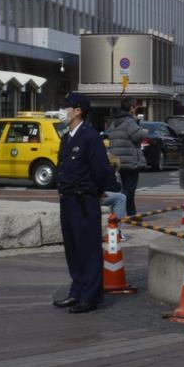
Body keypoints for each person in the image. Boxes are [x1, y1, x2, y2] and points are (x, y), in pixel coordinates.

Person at [53, 92, 118, 313]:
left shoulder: (90, 137)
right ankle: (77, 291)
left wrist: (94, 192)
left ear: (78, 110)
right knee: (73, 248)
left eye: (66, 107)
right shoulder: (66, 137)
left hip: (84, 200)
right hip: (67, 199)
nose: (63, 111)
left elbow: (101, 170)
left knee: (88, 248)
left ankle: (90, 296)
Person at [107, 97, 147, 217]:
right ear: (131, 108)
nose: (136, 109)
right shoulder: (130, 122)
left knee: (127, 189)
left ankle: (131, 214)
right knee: (129, 190)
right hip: (130, 160)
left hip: (118, 161)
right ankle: (120, 214)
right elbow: (138, 137)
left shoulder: (114, 122)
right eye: (135, 106)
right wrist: (143, 131)